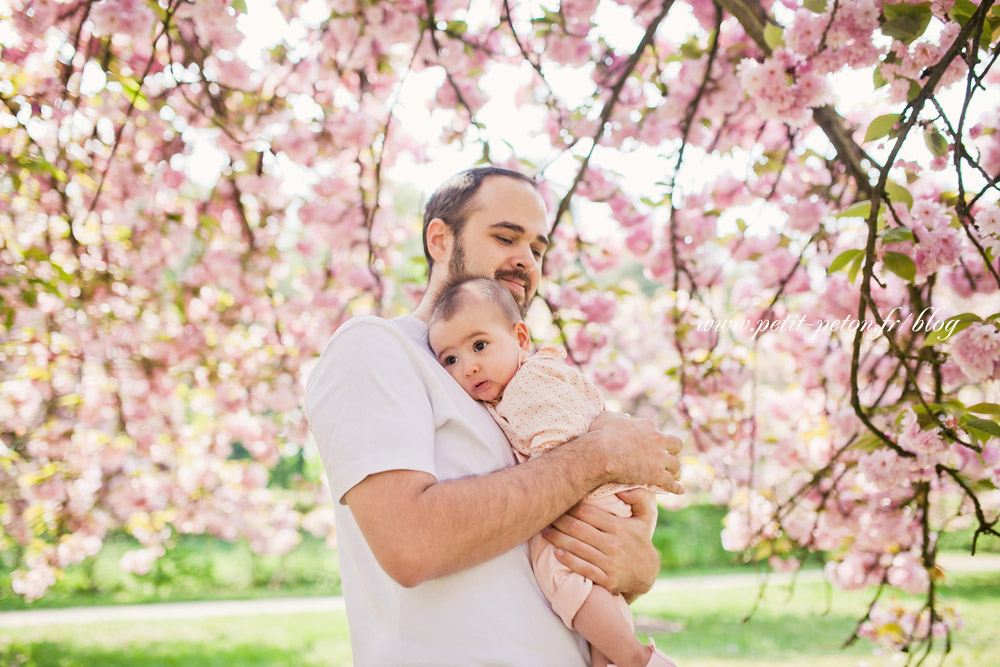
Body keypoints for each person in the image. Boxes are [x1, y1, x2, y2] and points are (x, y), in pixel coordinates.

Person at [305, 166, 684, 665]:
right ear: (439, 240)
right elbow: (412, 544)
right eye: (506, 237)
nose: (525, 259)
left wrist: (635, 563)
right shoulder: (377, 348)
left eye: (538, 248)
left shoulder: (510, 381)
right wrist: (598, 456)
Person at [427, 276, 678, 667]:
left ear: (521, 339)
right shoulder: (528, 379)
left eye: (479, 346)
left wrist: (542, 492)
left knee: (563, 572)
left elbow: (560, 443)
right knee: (598, 590)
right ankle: (611, 658)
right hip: (604, 496)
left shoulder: (527, 385)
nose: (469, 367)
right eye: (450, 360)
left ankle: (635, 659)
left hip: (585, 500)